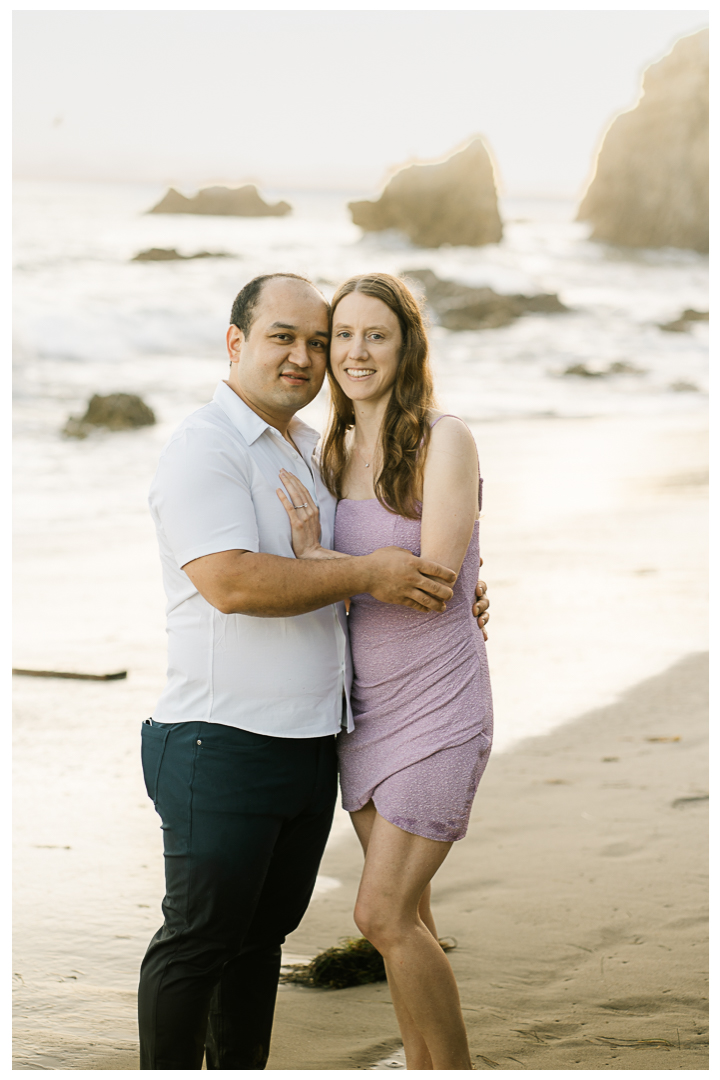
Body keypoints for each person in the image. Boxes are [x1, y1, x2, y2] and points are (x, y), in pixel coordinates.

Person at [138, 272, 490, 1070]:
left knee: (315, 931)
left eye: (324, 339)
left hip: (365, 723)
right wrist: (369, 572)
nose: (320, 355)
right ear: (237, 343)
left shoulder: (321, 444)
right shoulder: (234, 447)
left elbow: (419, 561)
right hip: (243, 736)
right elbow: (232, 582)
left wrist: (459, 580)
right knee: (210, 942)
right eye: (290, 338)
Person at [276, 273, 493, 1070]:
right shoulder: (326, 449)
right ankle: (421, 1059)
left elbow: (435, 581)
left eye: (377, 335)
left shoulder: (445, 436)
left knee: (380, 914)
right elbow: (355, 587)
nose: (356, 352)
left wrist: (321, 560)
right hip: (363, 715)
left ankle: (454, 1068)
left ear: (407, 347)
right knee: (412, 917)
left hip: (440, 704)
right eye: (344, 336)